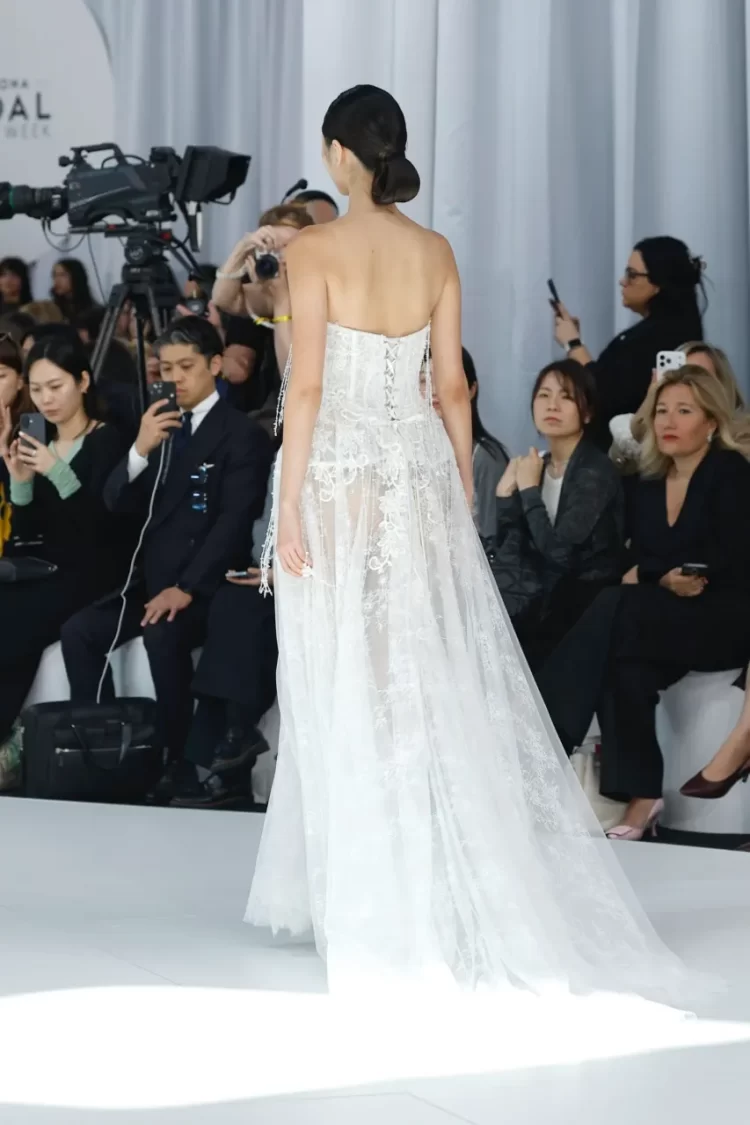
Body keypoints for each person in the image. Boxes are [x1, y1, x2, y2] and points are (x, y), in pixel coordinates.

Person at [244, 83, 693, 1004]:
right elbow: (452, 388)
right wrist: (458, 482)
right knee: (419, 667)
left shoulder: (313, 250)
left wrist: (285, 504)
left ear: (339, 154)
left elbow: (308, 389)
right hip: (413, 466)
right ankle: (430, 879)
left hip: (338, 469)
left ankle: (363, 895)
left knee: (340, 672)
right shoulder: (435, 250)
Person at [60, 316, 273, 805]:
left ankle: (180, 761)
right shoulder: (158, 427)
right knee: (79, 633)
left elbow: (233, 522)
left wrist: (188, 587)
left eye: (186, 366)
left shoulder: (241, 434)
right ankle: (102, 751)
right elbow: (115, 502)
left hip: (208, 582)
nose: (175, 378)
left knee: (164, 633)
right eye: (166, 368)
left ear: (215, 365)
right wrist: (139, 450)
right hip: (150, 578)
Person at [537, 367, 750, 839]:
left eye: (684, 411)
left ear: (711, 422)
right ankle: (642, 797)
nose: (668, 421)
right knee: (624, 664)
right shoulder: (650, 482)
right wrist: (659, 575)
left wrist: (656, 574)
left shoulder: (731, 473)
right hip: (665, 616)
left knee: (617, 605)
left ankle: (545, 732)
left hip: (726, 619)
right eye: (661, 411)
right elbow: (632, 559)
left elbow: (729, 558)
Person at [0, 335, 127, 751]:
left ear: (83, 382)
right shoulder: (42, 443)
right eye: (37, 390)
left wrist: (56, 470)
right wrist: (21, 482)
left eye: (56, 387)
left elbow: (100, 527)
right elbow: (26, 538)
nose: (46, 400)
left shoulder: (107, 440)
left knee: (15, 622)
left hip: (91, 571)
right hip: (46, 567)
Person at [489, 359, 623, 670]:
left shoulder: (595, 470)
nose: (552, 405)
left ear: (587, 412)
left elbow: (559, 554)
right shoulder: (540, 463)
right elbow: (512, 546)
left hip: (582, 603)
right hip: (542, 598)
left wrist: (528, 491)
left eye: (566, 396)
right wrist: (504, 497)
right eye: (544, 395)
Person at [553, 237, 704, 451]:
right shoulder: (670, 330)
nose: (622, 281)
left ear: (658, 283)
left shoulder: (658, 337)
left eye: (632, 275)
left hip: (626, 459)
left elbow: (604, 392)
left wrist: (573, 344)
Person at [213, 204, 314, 425]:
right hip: (271, 410)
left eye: (288, 246)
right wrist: (242, 249)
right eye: (271, 247)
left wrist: (281, 301)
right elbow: (223, 299)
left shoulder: (322, 292)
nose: (280, 256)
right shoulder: (271, 288)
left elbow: (293, 374)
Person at [609, 341, 748, 467]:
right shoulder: (654, 433)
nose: (686, 384)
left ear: (723, 386)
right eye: (678, 375)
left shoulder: (743, 439)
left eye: (699, 376)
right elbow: (621, 461)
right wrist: (653, 397)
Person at [425, 347, 508, 540]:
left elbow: (493, 537)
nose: (434, 390)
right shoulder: (408, 452)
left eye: (445, 379)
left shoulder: (485, 458)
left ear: (471, 389)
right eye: (425, 380)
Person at [0, 334, 32, 553]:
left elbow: (25, 508)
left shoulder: (33, 427)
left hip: (15, 551)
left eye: (1, 376)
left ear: (20, 380)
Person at [51, 258, 97, 323]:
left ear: (76, 277)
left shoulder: (93, 311)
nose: (57, 280)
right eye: (55, 275)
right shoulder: (53, 308)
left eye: (62, 275)